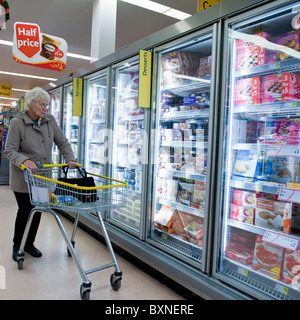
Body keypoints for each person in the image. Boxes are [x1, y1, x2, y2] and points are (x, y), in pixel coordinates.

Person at [4, 87, 77, 262]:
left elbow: (62, 141)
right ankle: (17, 245)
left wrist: (70, 158)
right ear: (31, 104)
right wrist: (24, 161)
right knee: (25, 210)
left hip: (43, 177)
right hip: (23, 178)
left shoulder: (50, 120)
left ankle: (29, 244)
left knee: (37, 211)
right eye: (42, 104)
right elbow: (9, 150)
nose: (46, 108)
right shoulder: (17, 122)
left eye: (47, 105)